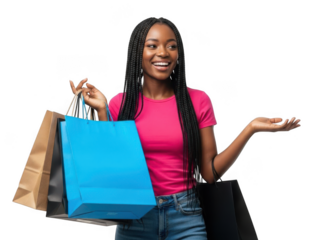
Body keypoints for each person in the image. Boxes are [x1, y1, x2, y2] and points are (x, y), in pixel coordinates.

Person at [68, 17, 302, 240]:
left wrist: (249, 129)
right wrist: (100, 111)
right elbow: (110, 171)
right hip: (135, 220)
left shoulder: (198, 101)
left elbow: (209, 173)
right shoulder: (120, 104)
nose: (163, 53)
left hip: (186, 217)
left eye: (171, 46)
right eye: (153, 45)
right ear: (137, 53)